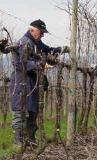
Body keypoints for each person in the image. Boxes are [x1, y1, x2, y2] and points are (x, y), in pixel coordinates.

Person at [10, 19, 69, 147]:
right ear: (32, 30)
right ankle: (18, 144)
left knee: (32, 112)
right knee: (21, 112)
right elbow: (24, 63)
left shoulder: (36, 42)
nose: (42, 35)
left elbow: (47, 50)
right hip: (21, 81)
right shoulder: (24, 43)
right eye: (41, 32)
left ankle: (30, 141)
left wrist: (60, 50)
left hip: (32, 82)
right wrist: (41, 65)